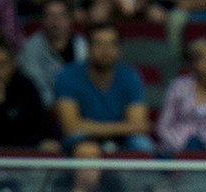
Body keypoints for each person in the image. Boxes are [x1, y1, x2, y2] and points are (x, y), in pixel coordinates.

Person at [53, 22, 152, 151]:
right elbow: (71, 126)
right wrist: (123, 127)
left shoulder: (130, 75)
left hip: (121, 139)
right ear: (88, 47)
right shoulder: (68, 75)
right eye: (99, 44)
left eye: (112, 44)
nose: (106, 50)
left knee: (143, 145)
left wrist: (88, 125)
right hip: (83, 139)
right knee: (87, 149)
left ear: (118, 49)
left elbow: (138, 124)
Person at [155, 39, 206, 155]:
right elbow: (163, 127)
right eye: (204, 58)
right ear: (193, 63)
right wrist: (182, 147)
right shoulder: (178, 86)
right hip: (176, 148)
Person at [0, 38, 53, 148]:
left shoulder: (25, 86)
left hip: (22, 147)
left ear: (12, 66)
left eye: (1, 64)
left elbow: (38, 126)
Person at [21, 0, 87, 108]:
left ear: (70, 19)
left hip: (82, 107)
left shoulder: (83, 46)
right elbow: (34, 86)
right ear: (43, 19)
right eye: (50, 16)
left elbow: (88, 84)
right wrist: (63, 107)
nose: (56, 22)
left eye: (61, 16)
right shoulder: (30, 47)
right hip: (45, 109)